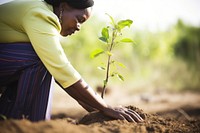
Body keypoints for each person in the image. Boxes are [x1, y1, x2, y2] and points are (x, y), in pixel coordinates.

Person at [0, 0, 143, 122]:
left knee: (42, 59)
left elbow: (62, 78)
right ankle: (24, 123)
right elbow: (61, 70)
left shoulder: (42, 15)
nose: (79, 27)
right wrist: (106, 107)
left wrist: (97, 109)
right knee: (39, 58)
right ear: (63, 6)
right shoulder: (40, 15)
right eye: (79, 19)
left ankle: (11, 120)